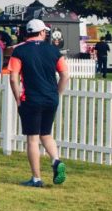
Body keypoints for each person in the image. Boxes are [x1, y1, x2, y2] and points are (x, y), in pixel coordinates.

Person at [6, 18, 68, 187]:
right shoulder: (54, 51)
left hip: (31, 99)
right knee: (46, 134)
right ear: (42, 33)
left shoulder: (19, 52)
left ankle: (36, 178)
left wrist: (18, 99)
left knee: (32, 139)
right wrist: (57, 93)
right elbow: (65, 75)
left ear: (27, 33)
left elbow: (13, 78)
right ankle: (55, 160)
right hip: (50, 98)